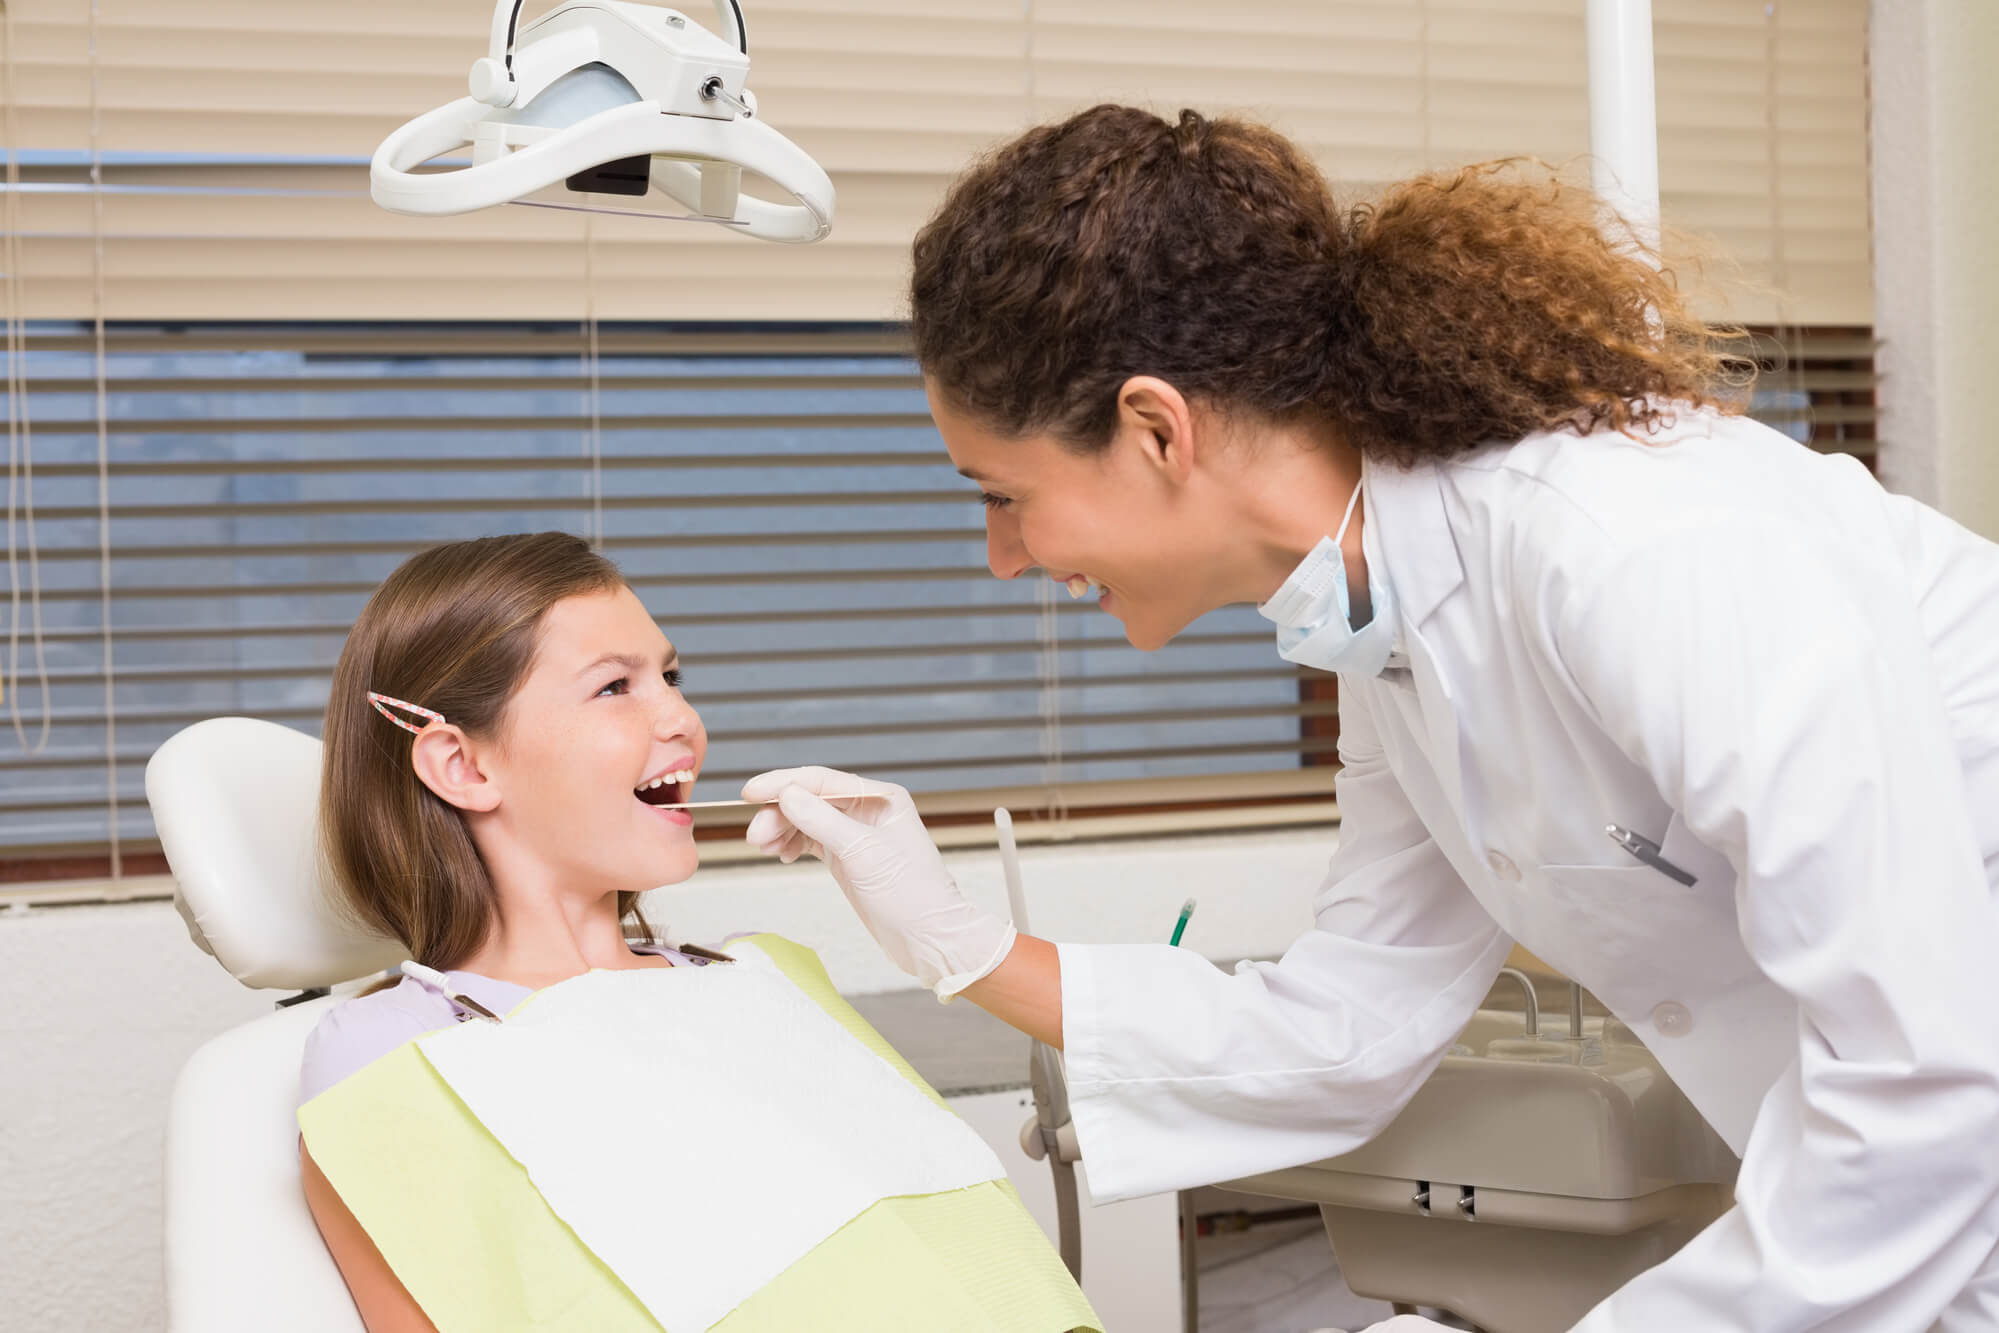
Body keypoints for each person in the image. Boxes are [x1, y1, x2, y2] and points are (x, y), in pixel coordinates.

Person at [742, 105, 1999, 1330]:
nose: (1002, 555)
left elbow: (1926, 1080)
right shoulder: (1383, 625)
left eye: (1005, 494)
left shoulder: (1631, 546)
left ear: (1152, 428)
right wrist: (953, 940)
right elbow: (1353, 1022)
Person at [295, 533, 1095, 1333]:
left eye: (671, 677)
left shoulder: (757, 979)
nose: (682, 718)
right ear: (464, 766)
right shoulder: (393, 1059)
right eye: (615, 686)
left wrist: (954, 936)